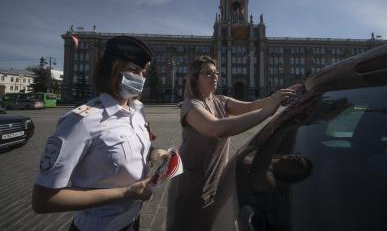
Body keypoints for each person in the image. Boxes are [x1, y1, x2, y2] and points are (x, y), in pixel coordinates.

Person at [32, 36, 168, 231]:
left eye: (143, 72)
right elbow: (43, 200)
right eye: (134, 71)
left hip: (133, 221)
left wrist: (156, 153)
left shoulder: (137, 109)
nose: (140, 78)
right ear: (113, 69)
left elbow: (135, 148)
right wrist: (125, 193)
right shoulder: (82, 121)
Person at [166, 55, 300, 231]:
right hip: (192, 187)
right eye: (208, 73)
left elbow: (251, 106)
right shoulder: (190, 105)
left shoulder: (220, 100)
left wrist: (279, 96)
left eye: (216, 73)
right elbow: (216, 128)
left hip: (215, 181)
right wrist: (266, 112)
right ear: (194, 77)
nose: (214, 76)